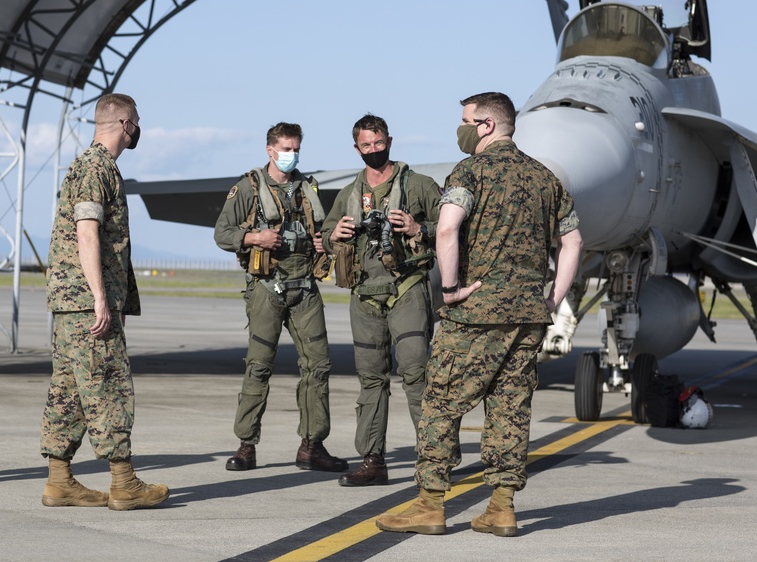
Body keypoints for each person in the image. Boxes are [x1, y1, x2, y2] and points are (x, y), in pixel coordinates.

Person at [376, 92, 583, 536]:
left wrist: (449, 289)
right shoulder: (545, 178)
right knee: (511, 406)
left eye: (466, 121)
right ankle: (502, 507)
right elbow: (574, 242)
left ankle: (430, 504)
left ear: (487, 125)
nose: (462, 129)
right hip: (528, 313)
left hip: (476, 312)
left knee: (441, 402)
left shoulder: (471, 171)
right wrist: (553, 298)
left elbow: (447, 227)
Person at [40, 93, 169, 511]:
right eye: (137, 122)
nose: (138, 130)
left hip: (68, 301)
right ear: (126, 123)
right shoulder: (97, 168)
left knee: (70, 389)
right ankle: (124, 483)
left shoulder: (89, 165)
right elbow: (87, 231)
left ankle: (59, 481)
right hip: (86, 301)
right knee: (107, 386)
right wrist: (100, 297)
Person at [214, 122, 347, 473]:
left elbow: (324, 230)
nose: (292, 155)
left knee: (318, 366)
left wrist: (324, 241)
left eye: (296, 148)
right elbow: (222, 233)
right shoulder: (248, 187)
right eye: (286, 148)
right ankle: (246, 445)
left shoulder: (308, 187)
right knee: (258, 367)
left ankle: (312, 445)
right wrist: (255, 239)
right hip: (266, 288)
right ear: (270, 150)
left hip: (305, 288)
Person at [320, 114, 442, 487]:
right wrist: (334, 234)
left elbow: (451, 229)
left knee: (416, 374)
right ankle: (373, 461)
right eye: (365, 146)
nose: (373, 151)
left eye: (378, 143)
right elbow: (324, 237)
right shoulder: (349, 193)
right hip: (365, 296)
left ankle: (433, 461)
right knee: (371, 380)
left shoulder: (419, 186)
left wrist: (420, 229)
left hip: (407, 290)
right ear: (356, 148)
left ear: (389, 140)